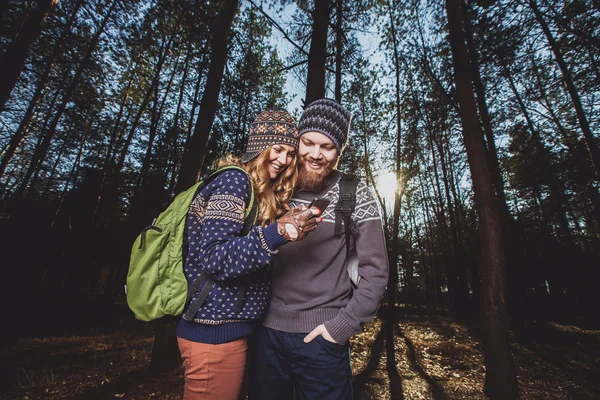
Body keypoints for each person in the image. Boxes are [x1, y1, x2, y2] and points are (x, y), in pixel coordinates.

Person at [176, 109, 322, 400]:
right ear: (259, 147)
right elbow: (215, 257)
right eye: (277, 149)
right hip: (212, 332)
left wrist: (284, 224)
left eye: (291, 153)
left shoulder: (257, 192)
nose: (284, 160)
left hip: (232, 330)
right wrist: (276, 233)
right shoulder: (234, 182)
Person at [249, 98, 389, 400]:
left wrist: (342, 327)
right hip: (266, 335)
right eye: (308, 143)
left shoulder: (356, 193)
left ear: (339, 151)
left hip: (322, 339)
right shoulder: (275, 185)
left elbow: (376, 273)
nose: (315, 154)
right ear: (297, 141)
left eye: (326, 147)